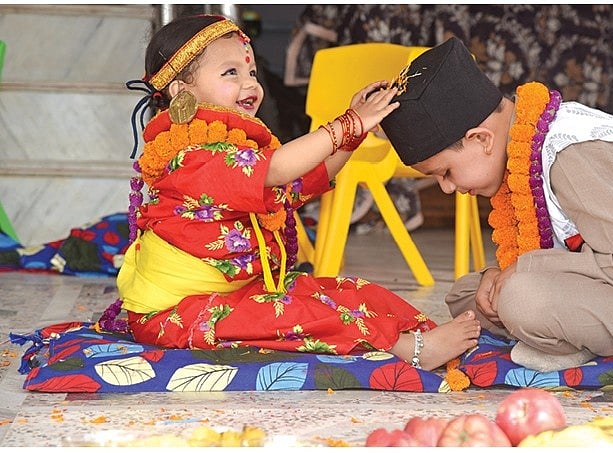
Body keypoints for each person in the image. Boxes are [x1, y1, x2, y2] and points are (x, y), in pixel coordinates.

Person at [98, 15, 480, 372]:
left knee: (351, 292)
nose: (250, 83)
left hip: (244, 291)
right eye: (231, 72)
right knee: (305, 315)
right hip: (178, 312)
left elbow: (298, 181)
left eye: (251, 71)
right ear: (182, 91)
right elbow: (278, 169)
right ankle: (412, 350)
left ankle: (422, 332)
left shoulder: (236, 146)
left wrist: (353, 137)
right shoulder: (190, 155)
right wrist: (347, 124)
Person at [379, 37, 613, 372]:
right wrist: (504, 272)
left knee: (521, 299)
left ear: (481, 139)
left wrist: (525, 269)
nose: (447, 189)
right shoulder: (525, 150)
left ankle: (568, 340)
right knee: (469, 294)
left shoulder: (572, 157)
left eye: (444, 172)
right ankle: (560, 334)